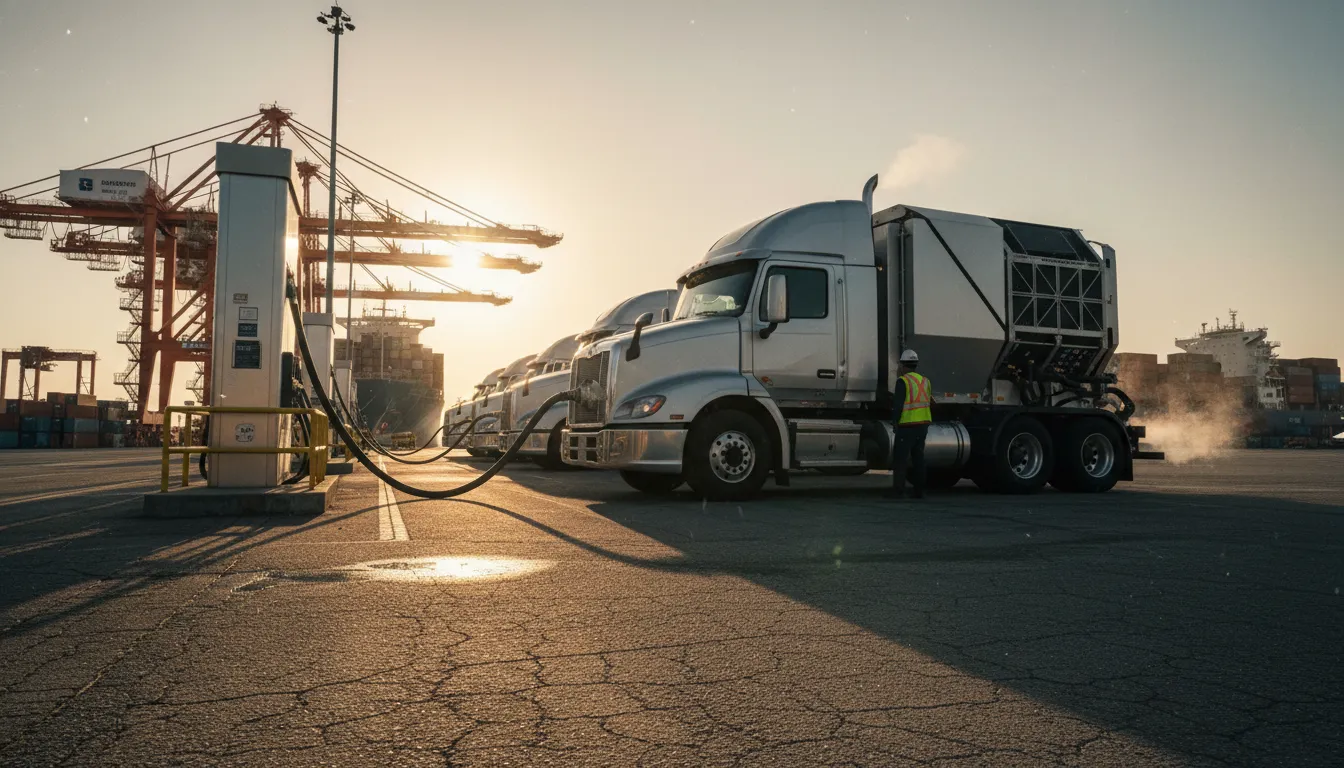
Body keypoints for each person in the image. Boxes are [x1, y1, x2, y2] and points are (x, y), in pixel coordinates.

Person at [887, 349, 932, 499]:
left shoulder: (903, 381)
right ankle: (919, 491)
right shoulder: (925, 381)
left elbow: (898, 405)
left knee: (900, 459)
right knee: (918, 458)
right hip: (923, 425)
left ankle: (898, 491)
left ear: (903, 365)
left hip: (907, 425)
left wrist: (895, 421)